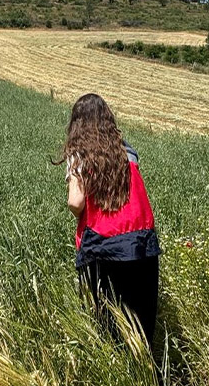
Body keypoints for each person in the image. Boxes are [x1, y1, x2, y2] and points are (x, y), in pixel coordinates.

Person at [55, 93, 161, 347]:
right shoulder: (128, 153)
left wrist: (82, 218)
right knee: (141, 325)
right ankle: (145, 376)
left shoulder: (79, 155)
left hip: (104, 245)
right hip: (142, 242)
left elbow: (75, 201)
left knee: (107, 325)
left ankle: (118, 378)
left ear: (77, 124)